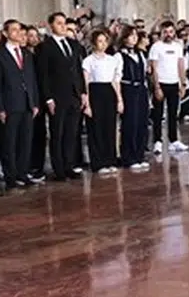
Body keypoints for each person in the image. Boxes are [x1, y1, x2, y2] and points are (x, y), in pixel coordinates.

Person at [0, 19, 41, 188]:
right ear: (5, 33)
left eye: (20, 30)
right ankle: (11, 177)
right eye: (14, 30)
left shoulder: (26, 54)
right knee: (9, 143)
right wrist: (0, 107)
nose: (18, 33)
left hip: (27, 103)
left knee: (25, 142)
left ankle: (22, 173)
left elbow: (32, 79)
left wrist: (34, 102)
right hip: (9, 104)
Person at [35, 11, 86, 180]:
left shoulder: (73, 44)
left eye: (64, 23)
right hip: (57, 96)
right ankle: (59, 169)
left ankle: (69, 165)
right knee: (58, 133)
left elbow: (77, 70)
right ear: (51, 26)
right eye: (59, 23)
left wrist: (83, 92)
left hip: (74, 95)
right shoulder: (45, 47)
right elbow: (43, 75)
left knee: (71, 132)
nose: (63, 26)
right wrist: (48, 98)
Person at [81, 28, 123, 174]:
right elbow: (86, 83)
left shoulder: (112, 60)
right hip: (95, 92)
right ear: (94, 43)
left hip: (109, 92)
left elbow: (115, 81)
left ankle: (110, 160)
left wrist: (119, 100)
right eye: (100, 41)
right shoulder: (88, 61)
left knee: (110, 128)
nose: (103, 44)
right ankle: (98, 163)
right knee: (96, 128)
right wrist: (87, 104)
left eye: (105, 41)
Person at [148, 20, 188, 154]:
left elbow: (181, 65)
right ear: (161, 33)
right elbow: (154, 68)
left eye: (171, 32)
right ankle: (157, 141)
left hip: (174, 83)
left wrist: (183, 84)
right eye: (165, 32)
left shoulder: (178, 47)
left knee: (173, 113)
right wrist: (157, 87)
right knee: (158, 114)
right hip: (161, 83)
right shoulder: (156, 47)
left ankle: (174, 140)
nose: (168, 34)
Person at [117, 26, 150, 169]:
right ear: (124, 38)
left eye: (136, 35)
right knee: (130, 123)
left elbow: (144, 74)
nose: (135, 38)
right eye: (131, 35)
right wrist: (119, 99)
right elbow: (117, 78)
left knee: (142, 122)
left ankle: (139, 155)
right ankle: (128, 157)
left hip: (141, 90)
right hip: (128, 89)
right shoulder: (119, 56)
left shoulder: (140, 54)